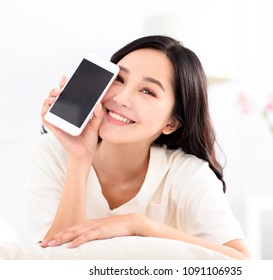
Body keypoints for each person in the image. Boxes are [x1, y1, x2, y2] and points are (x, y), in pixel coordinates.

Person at [28, 35, 250, 259]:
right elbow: (54, 262)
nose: (121, 98)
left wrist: (139, 226)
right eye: (119, 79)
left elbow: (241, 260)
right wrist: (79, 160)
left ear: (171, 123)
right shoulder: (53, 152)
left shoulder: (187, 173)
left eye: (147, 91)